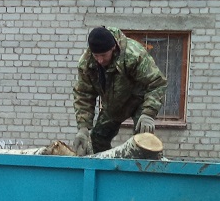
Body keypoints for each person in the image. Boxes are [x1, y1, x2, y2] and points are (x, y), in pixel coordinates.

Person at [71, 26, 169, 155]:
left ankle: (147, 172)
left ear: (113, 48)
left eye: (103, 55)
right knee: (96, 140)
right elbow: (84, 94)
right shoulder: (87, 63)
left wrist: (148, 113)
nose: (100, 60)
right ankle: (102, 172)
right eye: (96, 56)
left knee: (144, 141)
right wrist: (83, 127)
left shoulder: (133, 55)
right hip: (113, 104)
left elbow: (157, 83)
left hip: (139, 101)